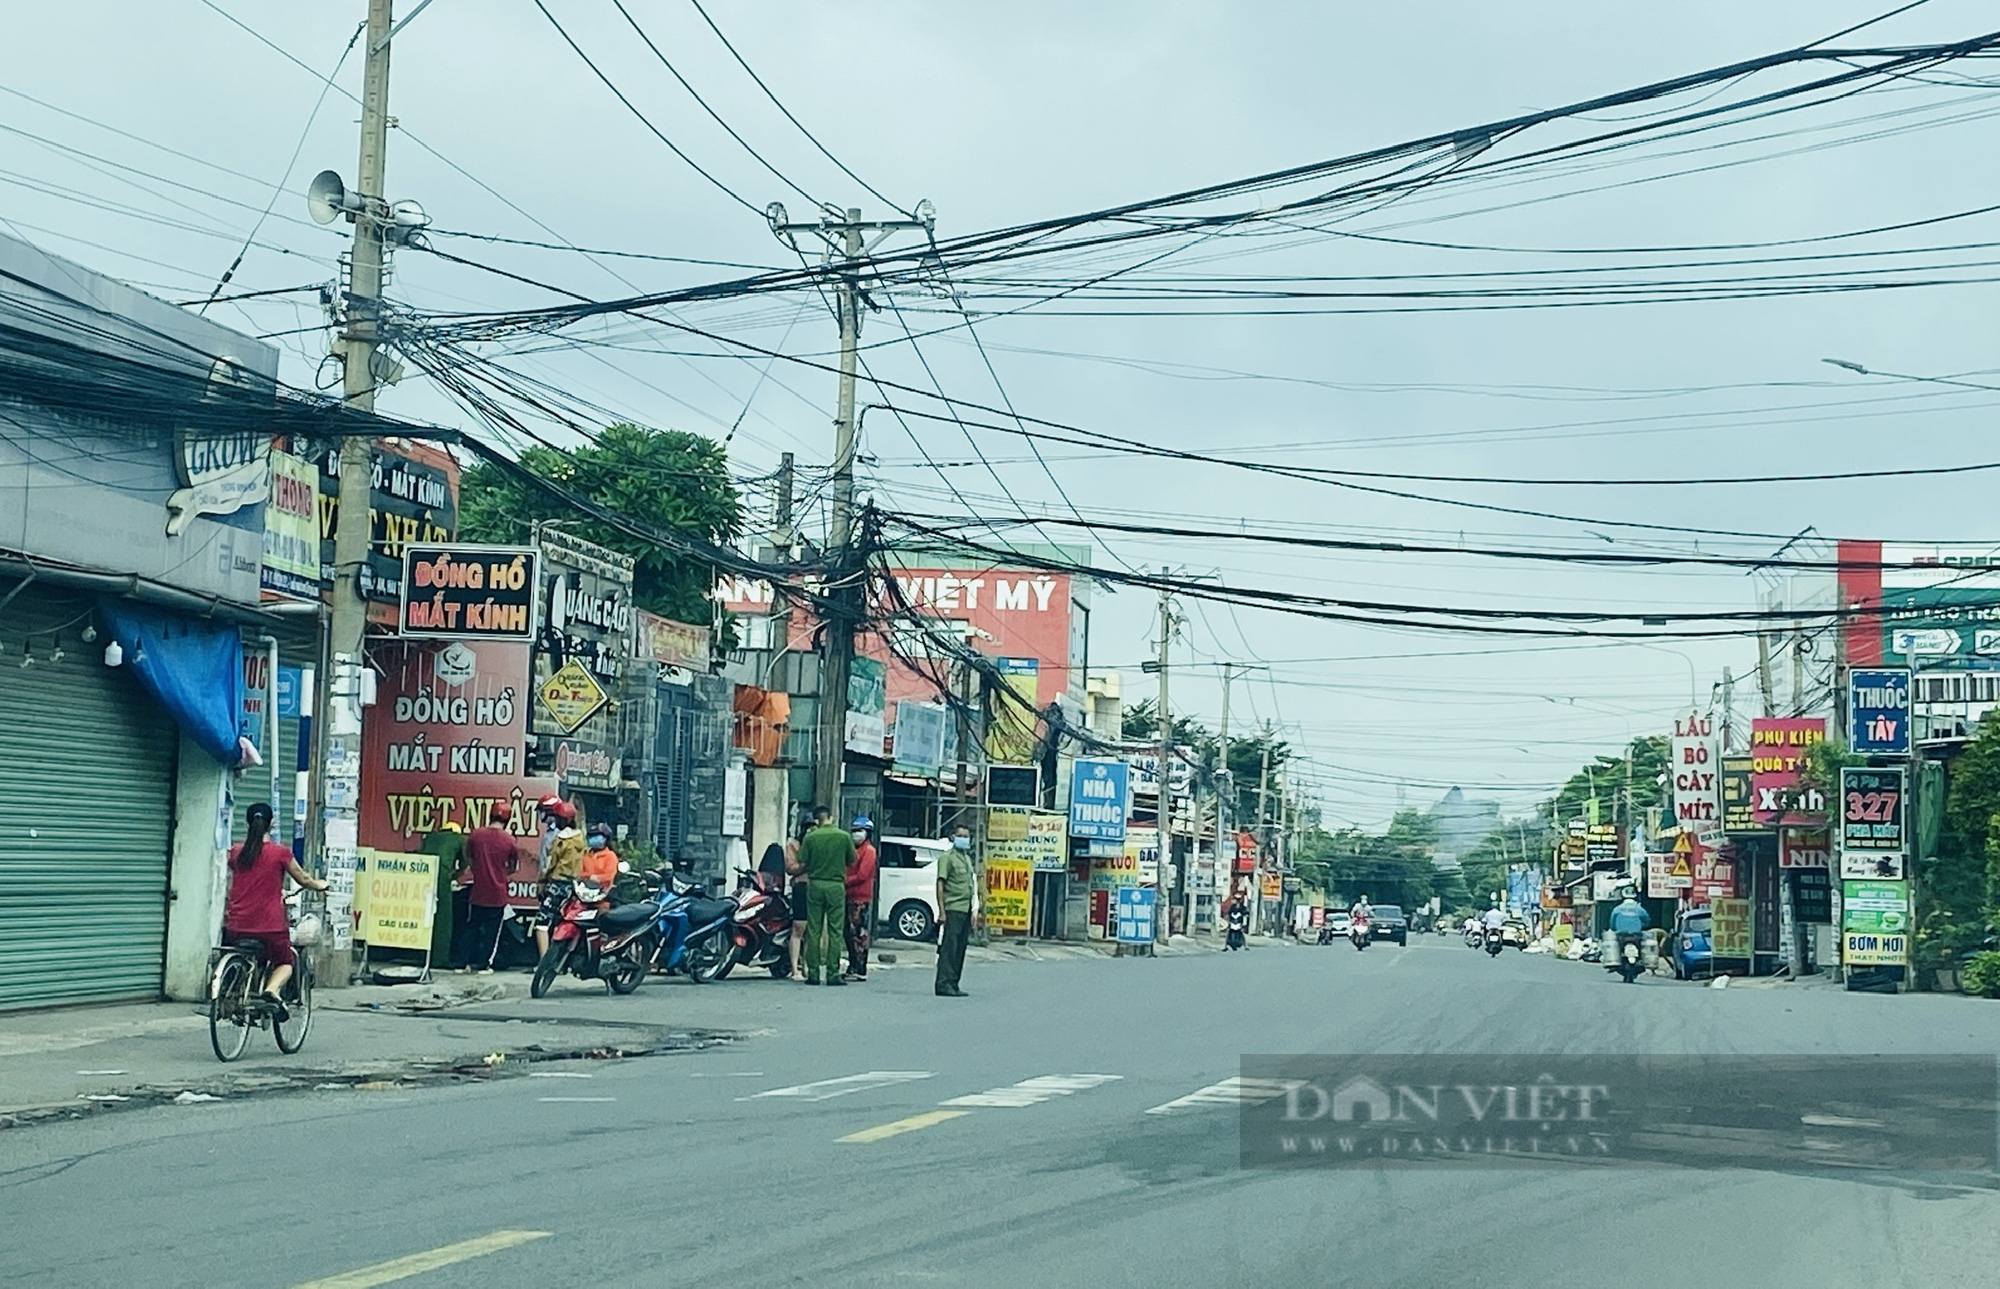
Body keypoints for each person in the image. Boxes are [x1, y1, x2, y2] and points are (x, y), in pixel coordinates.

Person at [222, 802, 328, 1019]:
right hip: (269, 926)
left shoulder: (235, 852)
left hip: (237, 925)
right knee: (285, 960)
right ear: (272, 824)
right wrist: (320, 885)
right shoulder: (280, 853)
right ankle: (271, 990)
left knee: (246, 951)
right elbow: (304, 879)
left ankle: (239, 990)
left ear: (247, 823)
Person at [794, 806, 854, 985]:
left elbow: (803, 860)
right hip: (835, 885)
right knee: (835, 931)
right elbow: (851, 859)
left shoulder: (811, 837)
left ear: (816, 820)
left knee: (814, 930)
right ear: (831, 817)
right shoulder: (844, 836)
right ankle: (832, 973)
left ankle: (813, 973)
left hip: (815, 884)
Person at [456, 804, 519, 973]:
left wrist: (478, 869)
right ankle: (484, 965)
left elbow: (468, 857)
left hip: (478, 892)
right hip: (498, 894)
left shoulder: (476, 835)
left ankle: (461, 964)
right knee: (492, 931)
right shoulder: (510, 840)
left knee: (471, 927)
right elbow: (513, 866)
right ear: (508, 819)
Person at [535, 800, 585, 958]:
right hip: (573, 886)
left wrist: (542, 882)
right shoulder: (580, 839)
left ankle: (544, 961)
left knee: (541, 925)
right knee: (563, 922)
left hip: (556, 884)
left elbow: (550, 865)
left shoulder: (561, 840)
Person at [934, 824, 978, 997]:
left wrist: (974, 910)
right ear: (953, 837)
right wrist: (941, 911)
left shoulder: (966, 859)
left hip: (965, 909)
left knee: (960, 949)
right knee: (949, 949)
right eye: (961, 836)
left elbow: (971, 885)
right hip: (953, 908)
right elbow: (940, 884)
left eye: (967, 836)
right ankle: (943, 984)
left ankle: (954, 983)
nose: (964, 839)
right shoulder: (947, 858)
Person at [419, 819, 466, 968]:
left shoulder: (431, 837)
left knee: (424, 916)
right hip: (441, 877)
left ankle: (423, 956)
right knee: (443, 919)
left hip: (423, 876)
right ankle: (440, 959)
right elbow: (464, 863)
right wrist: (453, 876)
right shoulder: (459, 839)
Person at [844, 816, 878, 982]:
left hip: (860, 897)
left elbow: (862, 875)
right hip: (848, 895)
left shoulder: (869, 851)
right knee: (848, 933)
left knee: (859, 933)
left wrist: (844, 881)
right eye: (854, 831)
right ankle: (852, 966)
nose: (856, 834)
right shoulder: (852, 850)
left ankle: (860, 967)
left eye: (860, 831)